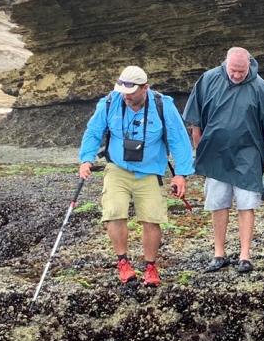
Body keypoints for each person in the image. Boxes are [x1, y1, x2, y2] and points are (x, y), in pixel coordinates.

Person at [77, 65, 194, 287]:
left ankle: (150, 267)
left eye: (131, 94)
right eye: (124, 93)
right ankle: (123, 262)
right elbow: (93, 131)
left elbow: (179, 140)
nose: (127, 98)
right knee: (113, 212)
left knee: (152, 218)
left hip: (149, 171)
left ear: (145, 88)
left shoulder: (162, 105)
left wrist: (181, 174)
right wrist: (86, 159)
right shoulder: (110, 102)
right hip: (117, 168)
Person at [183, 46, 264, 274]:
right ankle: (219, 253)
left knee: (246, 204)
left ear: (249, 65)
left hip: (248, 155)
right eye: (233, 70)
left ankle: (244, 255)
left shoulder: (261, 87)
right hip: (216, 153)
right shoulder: (209, 79)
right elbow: (195, 119)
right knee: (218, 203)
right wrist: (199, 146)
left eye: (242, 71)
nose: (238, 75)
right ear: (226, 63)